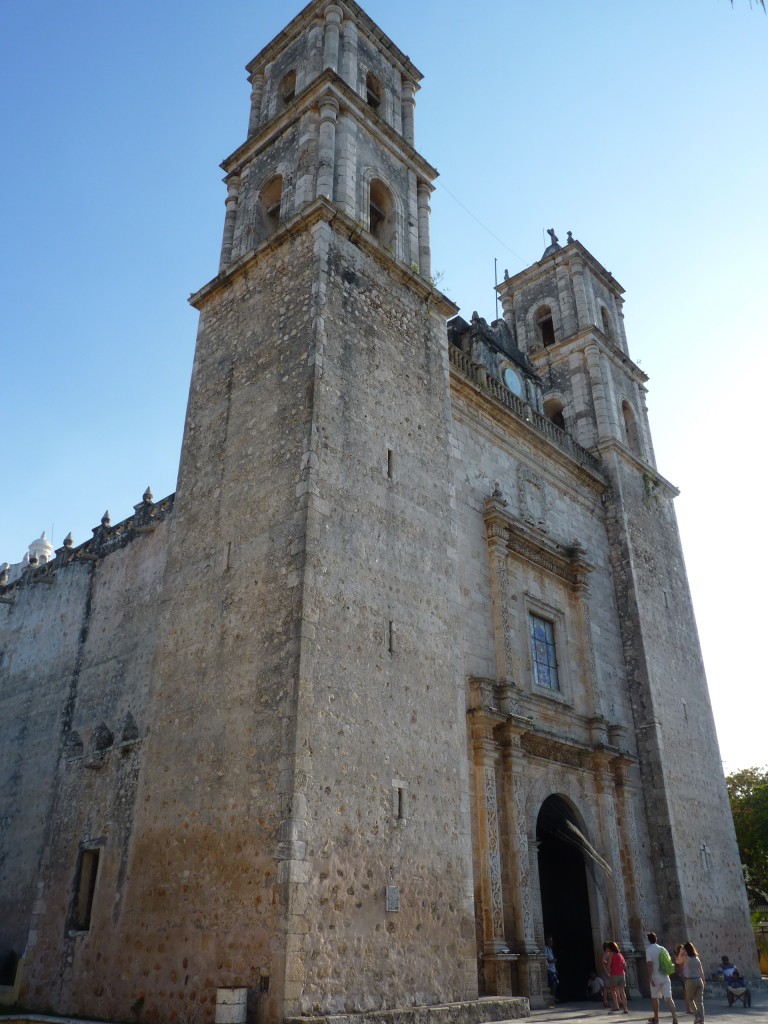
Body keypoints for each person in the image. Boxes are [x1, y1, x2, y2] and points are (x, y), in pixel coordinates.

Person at [646, 931, 678, 1024]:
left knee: (655, 998)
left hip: (655, 977)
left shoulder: (649, 950)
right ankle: (674, 1018)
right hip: (665, 976)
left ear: (648, 940)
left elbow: (650, 964)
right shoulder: (663, 949)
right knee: (669, 998)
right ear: (656, 939)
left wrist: (650, 977)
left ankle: (656, 1018)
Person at [681, 942, 705, 1024]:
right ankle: (702, 1020)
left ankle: (697, 1016)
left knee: (690, 999)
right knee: (700, 1002)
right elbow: (701, 971)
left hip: (690, 980)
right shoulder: (696, 958)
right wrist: (704, 980)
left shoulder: (686, 958)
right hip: (699, 980)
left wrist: (681, 952)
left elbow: (677, 961)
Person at [606, 940, 629, 1014]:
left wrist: (605, 963)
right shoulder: (620, 954)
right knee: (622, 992)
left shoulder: (611, 954)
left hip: (614, 974)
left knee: (613, 990)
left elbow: (609, 965)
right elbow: (624, 965)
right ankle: (625, 1008)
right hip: (622, 974)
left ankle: (616, 1006)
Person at [674, 944, 693, 1014]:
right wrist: (683, 978)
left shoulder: (684, 957)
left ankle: (690, 1008)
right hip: (684, 977)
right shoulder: (681, 958)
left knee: (689, 993)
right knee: (687, 994)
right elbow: (681, 969)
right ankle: (688, 1009)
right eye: (683, 949)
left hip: (687, 976)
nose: (684, 950)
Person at [544, 935, 558, 1001]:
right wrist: (551, 961)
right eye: (549, 940)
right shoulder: (545, 948)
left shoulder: (550, 949)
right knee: (554, 982)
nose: (551, 942)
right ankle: (552, 996)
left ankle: (553, 996)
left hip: (553, 968)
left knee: (555, 982)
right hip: (549, 968)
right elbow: (544, 958)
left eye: (551, 940)